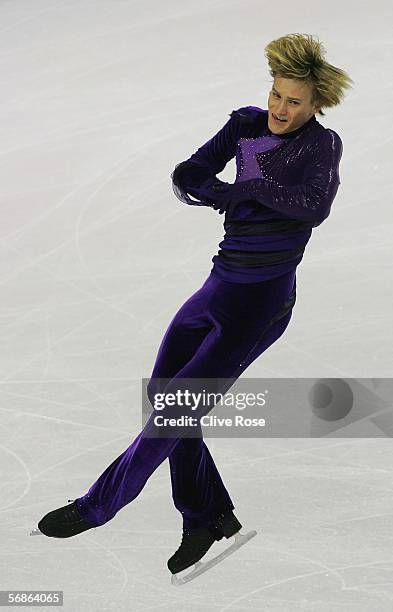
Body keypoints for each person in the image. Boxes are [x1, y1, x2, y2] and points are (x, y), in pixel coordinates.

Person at [37, 33, 353, 576]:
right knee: (167, 402)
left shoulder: (322, 146)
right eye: (277, 95)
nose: (280, 108)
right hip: (216, 287)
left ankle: (98, 506)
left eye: (294, 102)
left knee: (173, 414)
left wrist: (246, 187)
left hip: (262, 303)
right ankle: (207, 515)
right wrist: (223, 190)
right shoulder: (247, 123)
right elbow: (189, 173)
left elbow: (314, 207)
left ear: (316, 104)